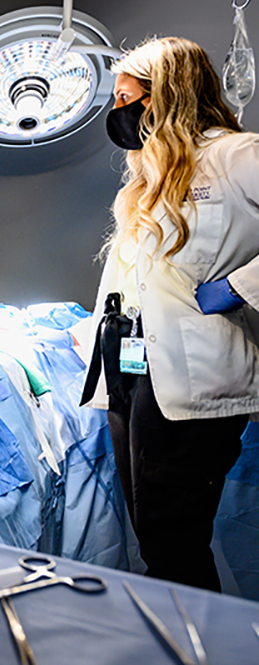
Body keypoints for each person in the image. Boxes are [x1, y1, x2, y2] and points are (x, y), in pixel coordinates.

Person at [81, 36, 259, 591]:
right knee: (152, 533)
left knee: (172, 540)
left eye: (126, 98)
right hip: (131, 367)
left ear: (168, 96)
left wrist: (237, 285)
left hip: (192, 373)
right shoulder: (149, 173)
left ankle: (200, 647)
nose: (118, 112)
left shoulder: (235, 154)